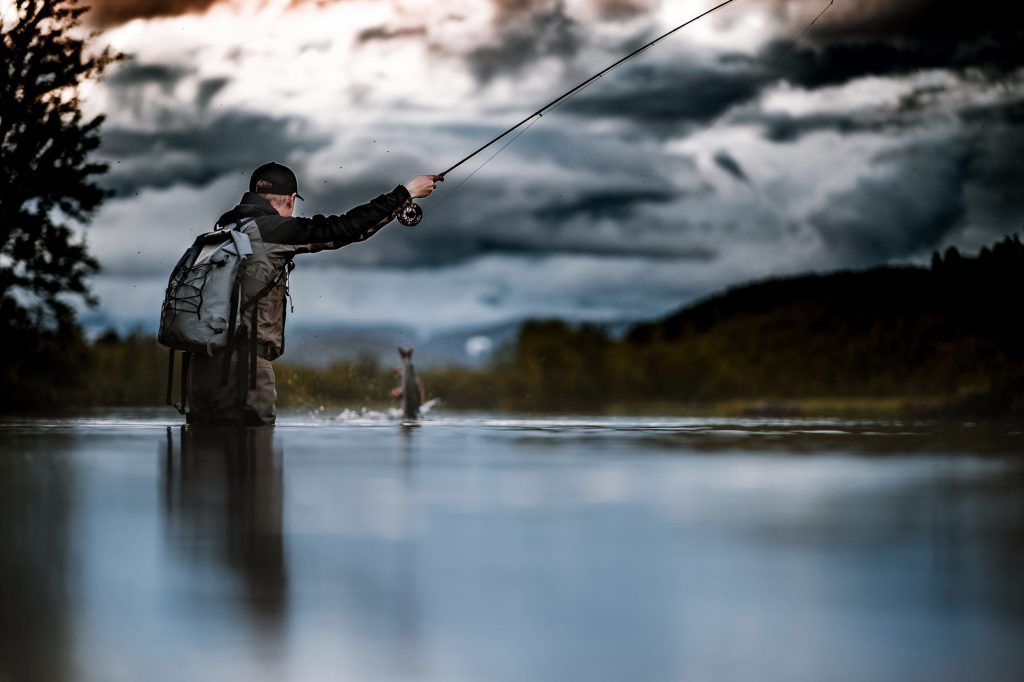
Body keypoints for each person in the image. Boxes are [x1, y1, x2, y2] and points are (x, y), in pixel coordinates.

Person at [186, 162, 441, 426]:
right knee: (254, 460)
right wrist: (406, 193)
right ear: (291, 199)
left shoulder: (226, 229)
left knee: (206, 461)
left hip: (198, 370)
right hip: (243, 372)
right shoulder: (270, 229)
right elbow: (344, 228)